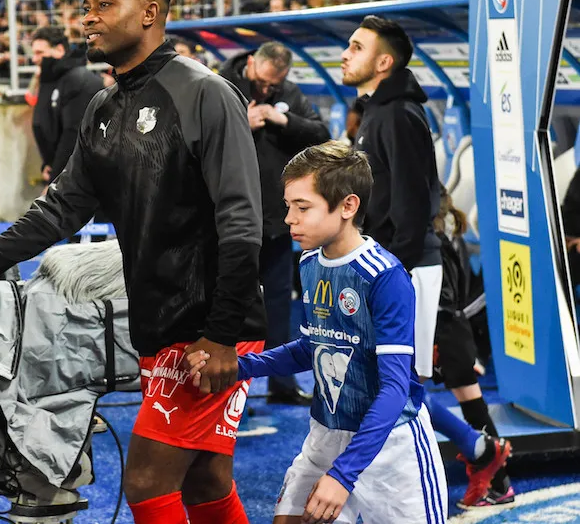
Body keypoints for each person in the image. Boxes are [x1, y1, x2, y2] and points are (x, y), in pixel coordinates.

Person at [0, 0, 266, 524]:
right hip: (156, 326)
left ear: (150, 13)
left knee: (147, 482)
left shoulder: (205, 94)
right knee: (206, 481)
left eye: (104, 4)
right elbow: (61, 208)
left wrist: (223, 335)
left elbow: (241, 222)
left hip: (206, 328)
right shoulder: (104, 107)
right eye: (86, 6)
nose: (88, 18)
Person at [188, 141, 447, 524]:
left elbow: (395, 388)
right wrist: (239, 367)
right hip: (326, 433)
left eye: (302, 207)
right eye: (288, 206)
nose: (289, 219)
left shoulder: (385, 277)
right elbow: (312, 347)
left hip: (390, 444)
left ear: (348, 206)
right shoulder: (310, 262)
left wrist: (343, 475)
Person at [343, 15, 510, 506]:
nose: (346, 54)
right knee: (392, 382)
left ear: (384, 62)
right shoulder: (379, 112)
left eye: (357, 47)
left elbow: (414, 206)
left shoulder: (398, 115)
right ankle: (481, 451)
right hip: (392, 263)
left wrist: (388, 272)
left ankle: (467, 467)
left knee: (398, 384)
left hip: (406, 267)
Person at [219, 41, 329, 405]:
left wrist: (285, 120)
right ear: (251, 63)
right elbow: (199, 141)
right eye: (263, 82)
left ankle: (281, 385)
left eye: (274, 85)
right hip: (232, 223)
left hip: (277, 222)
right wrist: (242, 124)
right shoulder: (221, 87)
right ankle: (224, 384)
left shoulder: (289, 94)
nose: (267, 89)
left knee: (279, 305)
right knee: (229, 302)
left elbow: (321, 133)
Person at [431, 186, 514, 507]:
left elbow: (445, 297)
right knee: (471, 405)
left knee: (472, 406)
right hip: (452, 329)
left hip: (446, 331)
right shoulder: (447, 234)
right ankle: (497, 481)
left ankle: (498, 483)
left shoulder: (435, 242)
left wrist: (437, 340)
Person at [29, 26, 104, 186]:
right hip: (62, 175)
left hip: (82, 181)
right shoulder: (51, 78)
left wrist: (56, 181)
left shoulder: (79, 80)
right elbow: (45, 123)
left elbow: (73, 137)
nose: (34, 59)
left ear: (59, 50)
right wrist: (48, 164)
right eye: (34, 53)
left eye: (40, 53)